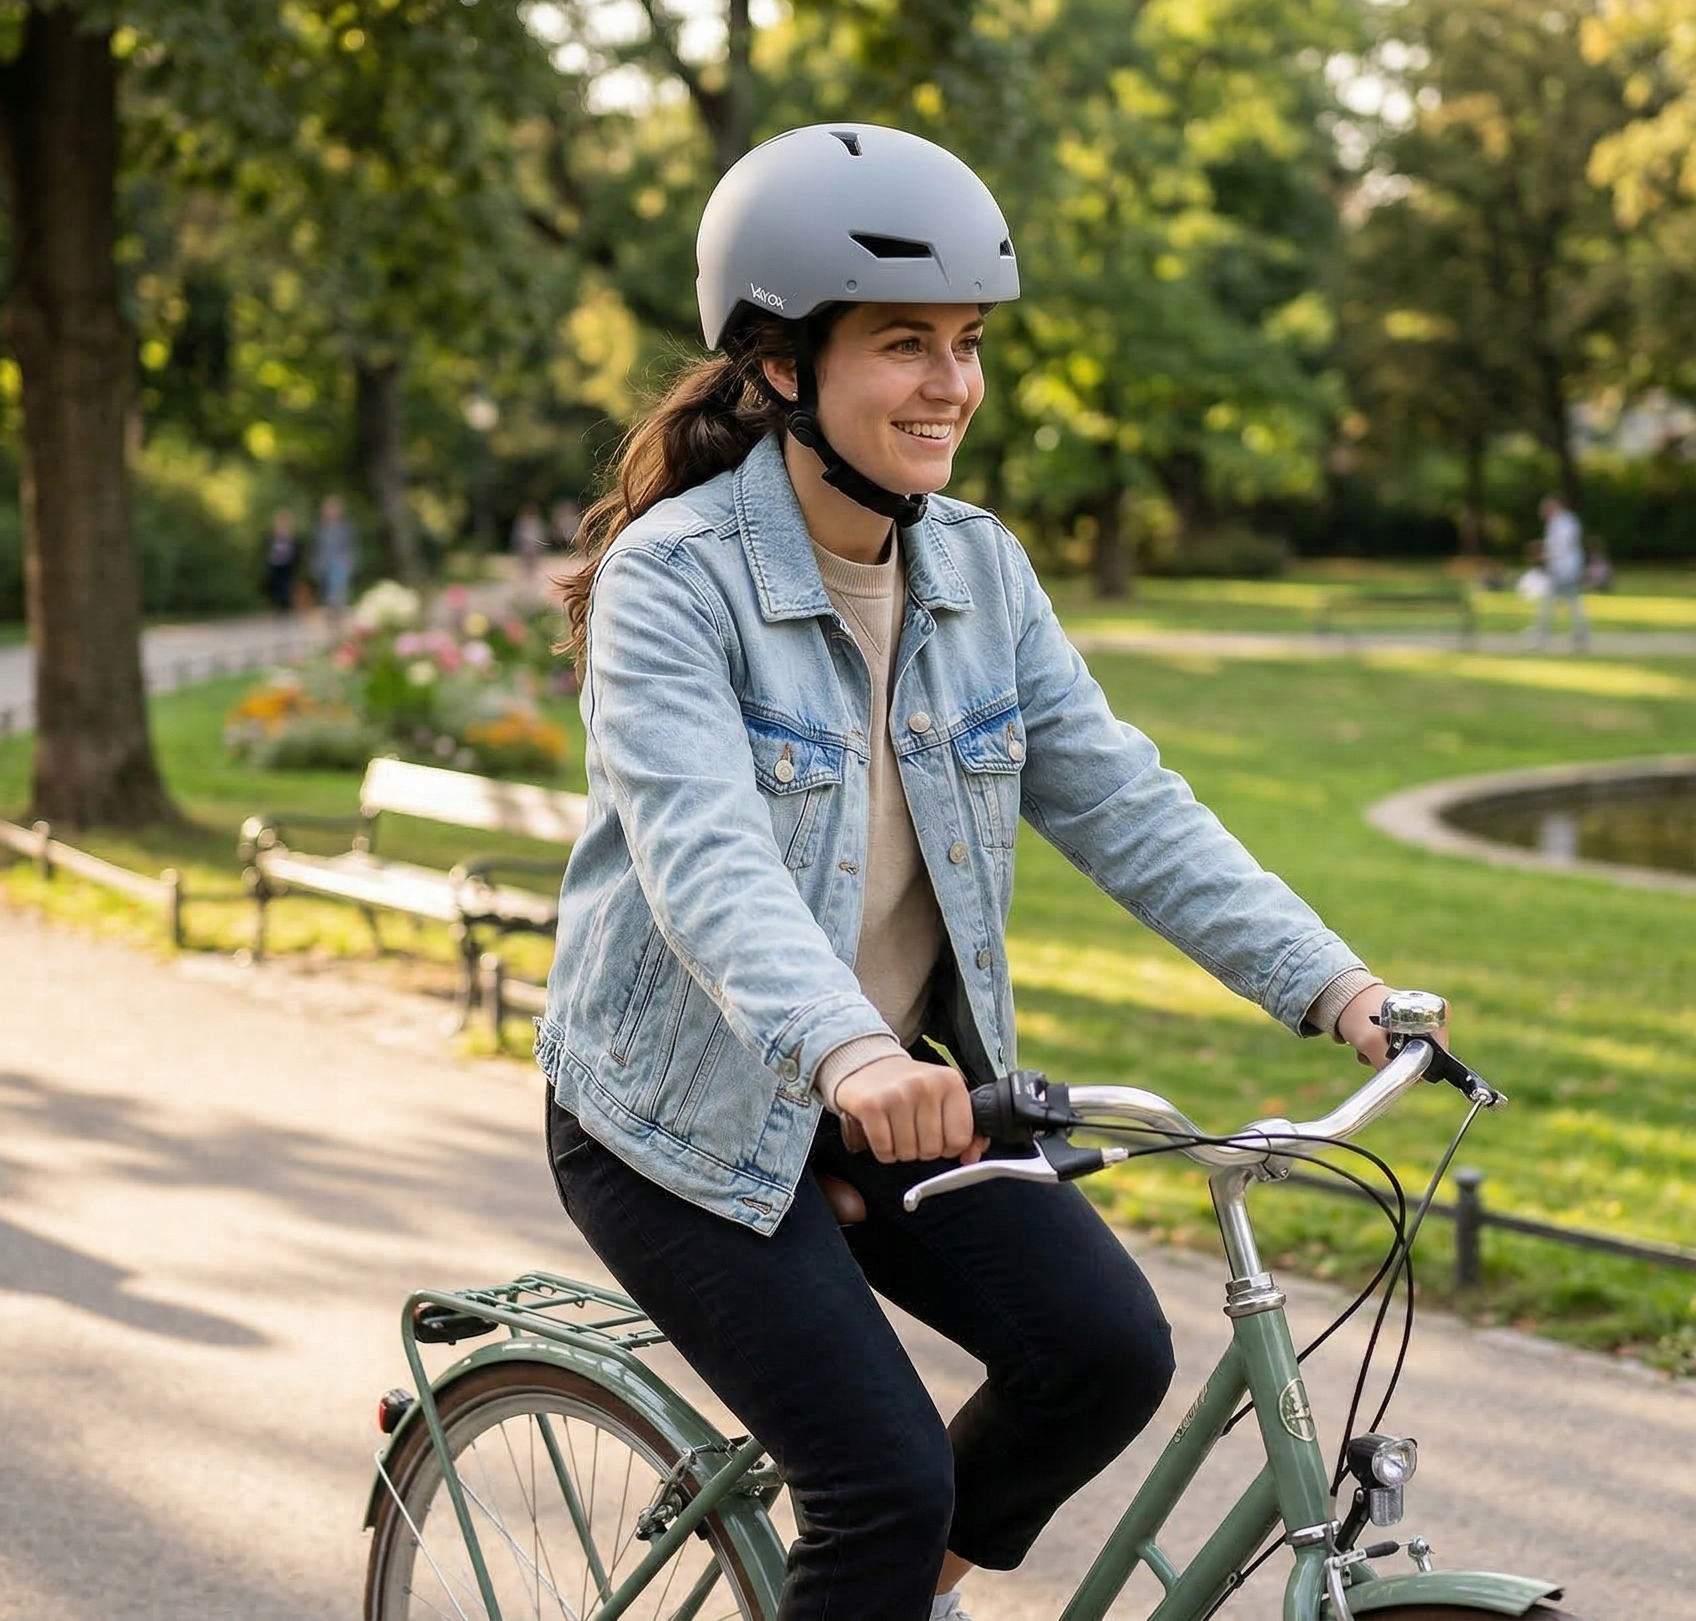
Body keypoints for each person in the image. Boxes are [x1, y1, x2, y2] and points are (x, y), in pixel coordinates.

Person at [537, 124, 1404, 1621]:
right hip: (681, 1115)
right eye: (903, 344)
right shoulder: (674, 582)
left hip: (887, 1092)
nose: (952, 384)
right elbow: (706, 862)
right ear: (780, 364)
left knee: (1104, 1356)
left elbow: (1127, 802)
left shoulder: (979, 571)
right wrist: (852, 1050)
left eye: (968, 342)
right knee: (881, 1479)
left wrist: (1336, 983)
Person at [1533, 492, 1590, 651]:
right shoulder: (1556, 523)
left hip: (1566, 569)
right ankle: (1579, 634)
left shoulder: (1565, 522)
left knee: (1555, 601)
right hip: (1561, 568)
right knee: (1569, 602)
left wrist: (1547, 555)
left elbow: (1562, 547)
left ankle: (1541, 636)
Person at [310, 495, 359, 623]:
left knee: (338, 588)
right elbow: (317, 548)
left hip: (341, 562)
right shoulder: (320, 529)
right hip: (325, 563)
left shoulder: (346, 528)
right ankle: (331, 613)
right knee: (327, 590)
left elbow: (351, 546)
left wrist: (350, 562)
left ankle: (338, 613)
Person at [261, 508, 300, 615]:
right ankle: (277, 606)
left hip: (288, 564)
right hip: (275, 564)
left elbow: (296, 550)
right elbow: (268, 549)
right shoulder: (272, 535)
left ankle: (286, 606)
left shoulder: (292, 536)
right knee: (276, 585)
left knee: (286, 585)